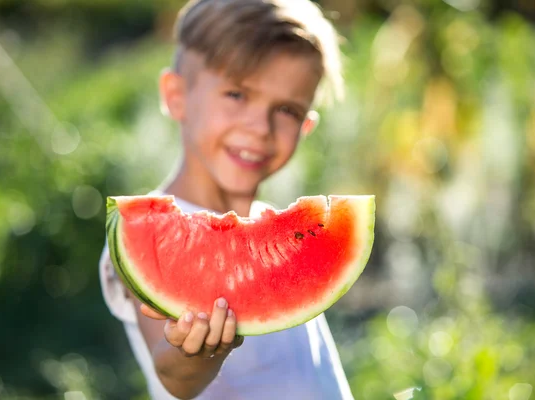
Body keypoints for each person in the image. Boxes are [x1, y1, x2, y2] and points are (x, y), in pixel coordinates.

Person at [98, 0, 352, 398]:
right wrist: (197, 352)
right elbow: (172, 370)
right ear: (176, 95)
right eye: (237, 94)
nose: (259, 127)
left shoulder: (284, 243)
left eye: (286, 109)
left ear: (306, 126)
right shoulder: (145, 237)